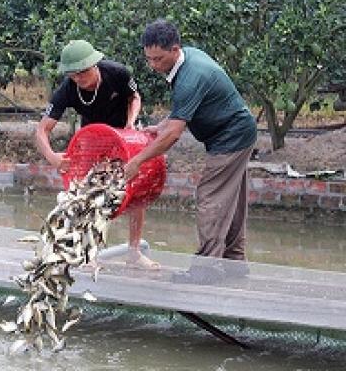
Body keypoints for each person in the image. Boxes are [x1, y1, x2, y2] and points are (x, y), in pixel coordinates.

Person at [123, 19, 257, 283]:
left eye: (158, 59)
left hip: (231, 137)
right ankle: (234, 263)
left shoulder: (191, 77)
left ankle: (206, 269)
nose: (153, 66)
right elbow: (180, 115)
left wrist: (138, 160)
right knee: (231, 200)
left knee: (210, 197)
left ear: (175, 49)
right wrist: (160, 126)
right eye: (148, 59)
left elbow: (174, 134)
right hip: (237, 132)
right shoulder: (188, 60)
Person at [35, 39, 159, 270]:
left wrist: (131, 123)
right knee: (89, 196)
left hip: (126, 136)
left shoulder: (117, 73)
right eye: (73, 75)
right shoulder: (68, 89)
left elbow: (135, 98)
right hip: (94, 139)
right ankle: (89, 254)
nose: (79, 79)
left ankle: (134, 252)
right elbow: (42, 129)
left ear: (95, 65)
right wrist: (52, 156)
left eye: (83, 73)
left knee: (136, 192)